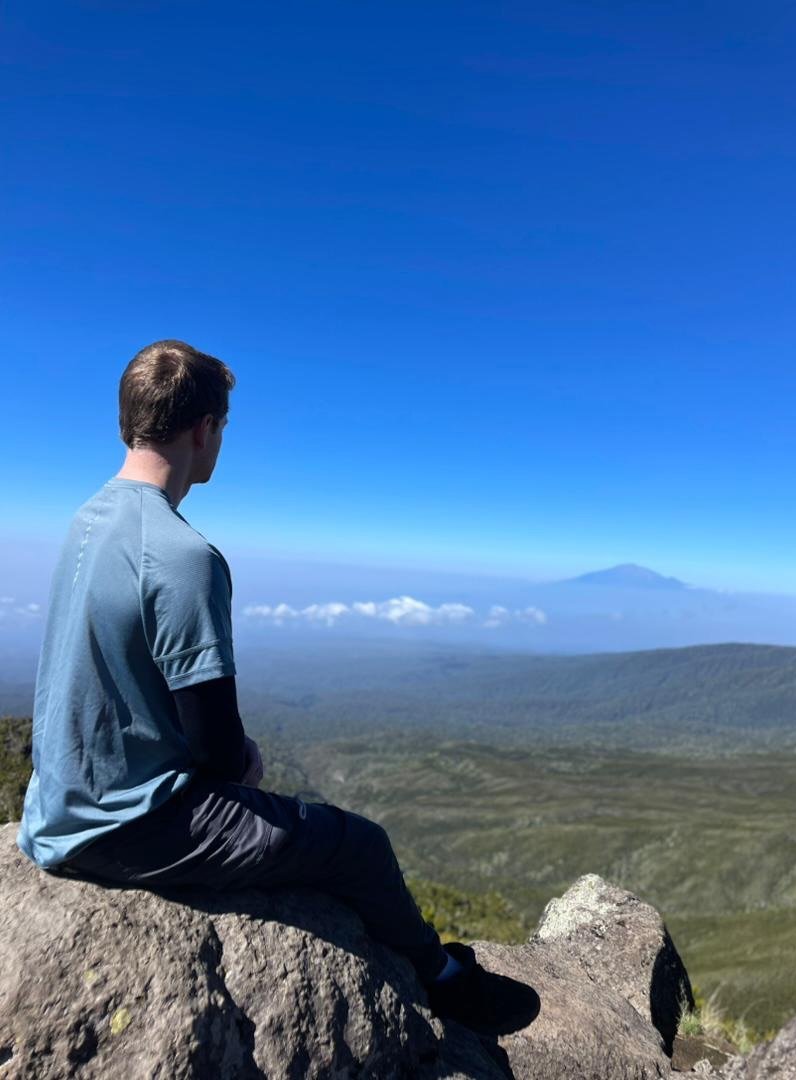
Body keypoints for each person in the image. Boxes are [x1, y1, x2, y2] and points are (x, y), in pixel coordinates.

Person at [16, 340, 538, 1037]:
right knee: (361, 846)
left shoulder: (87, 521)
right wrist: (245, 766)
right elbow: (215, 746)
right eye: (223, 428)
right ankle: (441, 981)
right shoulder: (181, 556)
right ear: (206, 428)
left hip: (55, 806)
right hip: (127, 826)